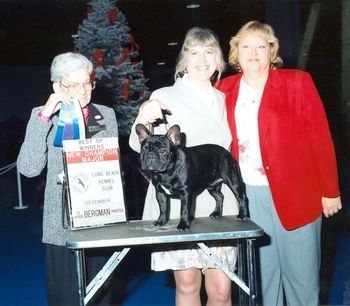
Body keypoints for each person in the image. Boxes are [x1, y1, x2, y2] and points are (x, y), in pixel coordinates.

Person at [215, 20, 342, 305]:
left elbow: (320, 138)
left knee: (302, 279)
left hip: (298, 193)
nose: (253, 53)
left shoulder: (298, 82)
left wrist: (330, 190)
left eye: (262, 45)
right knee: (260, 279)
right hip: (247, 195)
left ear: (272, 51)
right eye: (245, 46)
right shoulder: (223, 89)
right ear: (235, 52)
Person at [129, 27, 237, 306]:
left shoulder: (222, 98)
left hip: (216, 205)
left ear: (219, 60)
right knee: (188, 286)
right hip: (178, 206)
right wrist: (144, 113)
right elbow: (136, 143)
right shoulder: (164, 95)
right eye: (194, 52)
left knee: (222, 291)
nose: (202, 59)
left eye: (209, 52)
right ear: (184, 59)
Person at [17, 52, 118, 306]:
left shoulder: (105, 115)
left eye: (87, 83)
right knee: (65, 298)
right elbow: (28, 169)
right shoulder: (42, 115)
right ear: (57, 86)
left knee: (101, 297)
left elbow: (111, 167)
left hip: (100, 219)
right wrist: (43, 117)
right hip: (60, 225)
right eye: (74, 85)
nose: (83, 91)